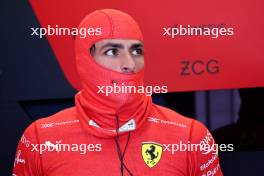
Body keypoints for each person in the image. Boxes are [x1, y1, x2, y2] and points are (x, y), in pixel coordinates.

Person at [13, 9, 223, 176]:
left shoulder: (190, 136)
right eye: (112, 51)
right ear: (85, 59)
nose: (129, 64)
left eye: (136, 51)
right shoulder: (41, 139)